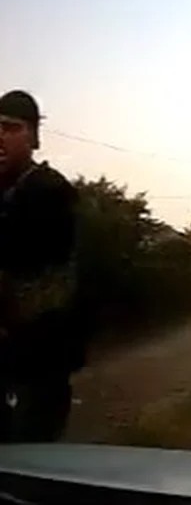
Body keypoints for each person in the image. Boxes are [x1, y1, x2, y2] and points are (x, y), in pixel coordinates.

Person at [0, 90, 82, 442]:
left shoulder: (48, 191)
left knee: (32, 448)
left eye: (9, 128)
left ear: (33, 136)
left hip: (38, 353)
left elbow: (28, 262)